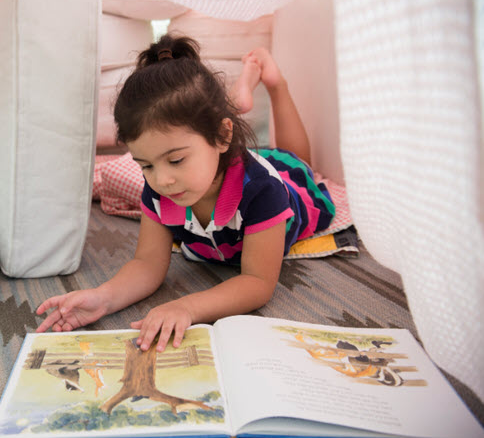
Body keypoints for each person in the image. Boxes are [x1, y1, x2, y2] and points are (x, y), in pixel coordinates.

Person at [36, 35, 335, 352]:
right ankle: (241, 95)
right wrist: (103, 298)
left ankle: (275, 85)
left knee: (300, 165)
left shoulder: (264, 191)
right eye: (145, 165)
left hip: (288, 190)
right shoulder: (160, 188)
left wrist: (187, 307)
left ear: (222, 137)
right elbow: (147, 264)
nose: (162, 180)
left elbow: (258, 282)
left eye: (176, 160)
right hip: (224, 159)